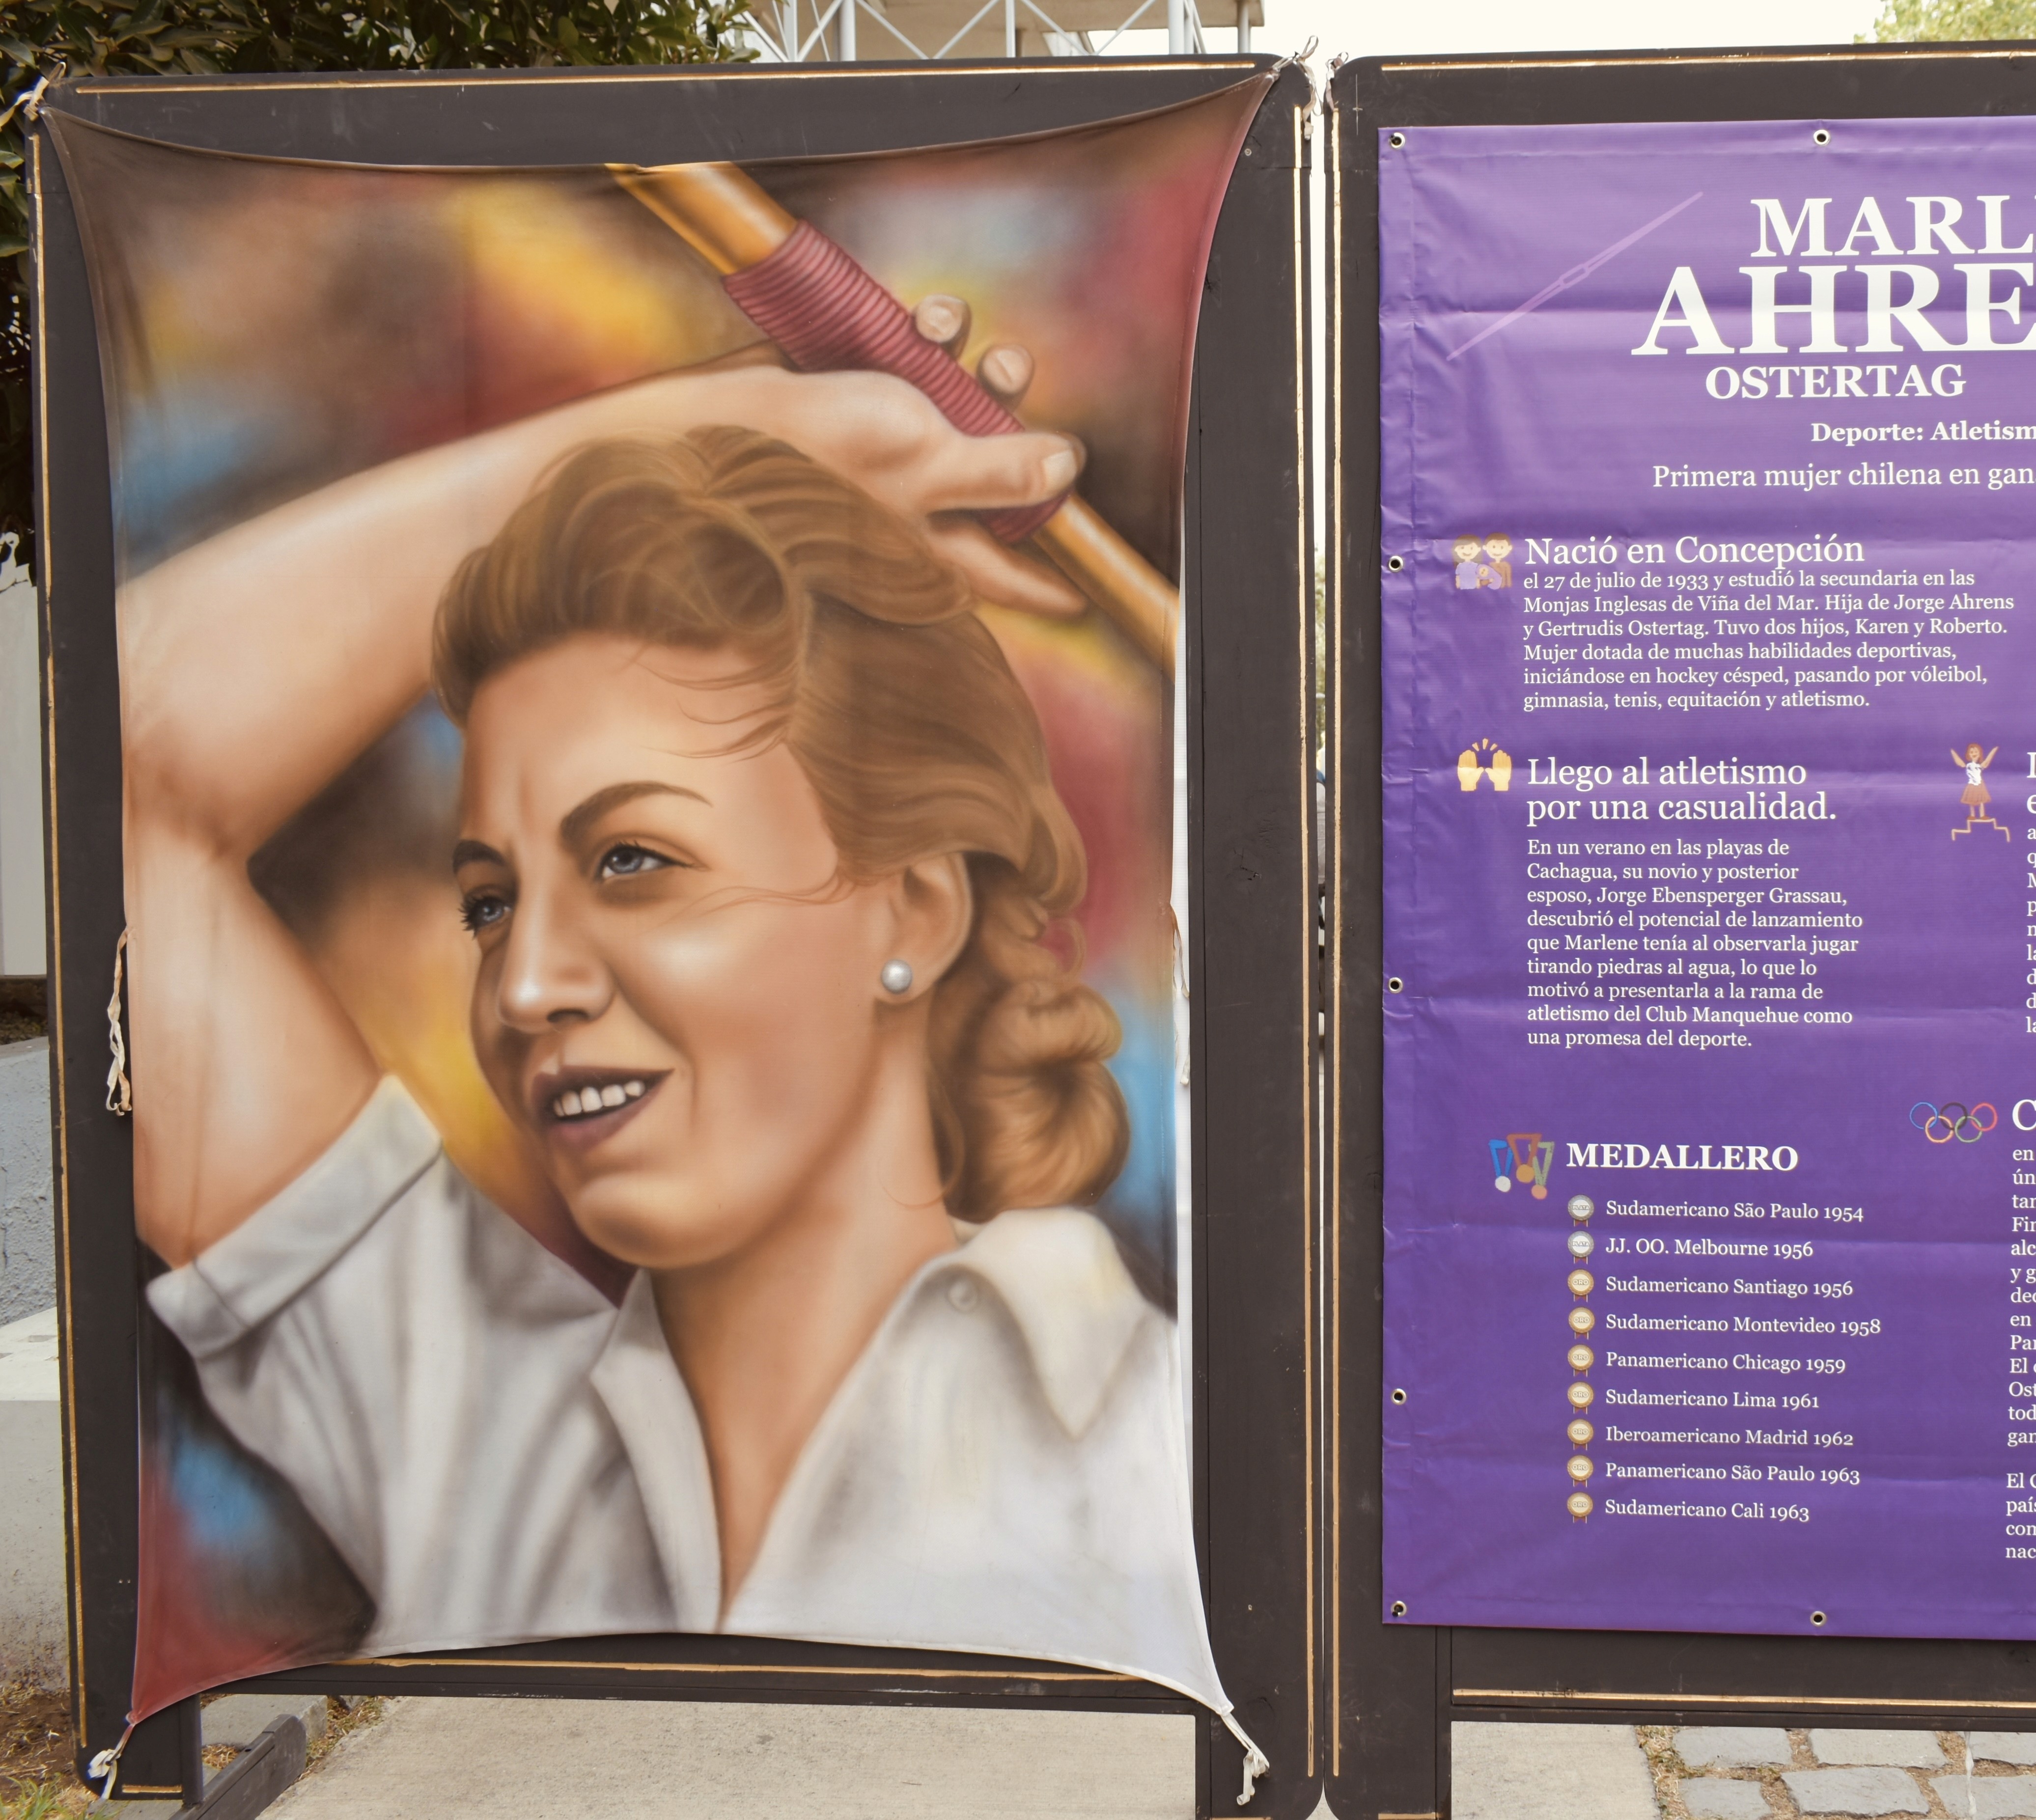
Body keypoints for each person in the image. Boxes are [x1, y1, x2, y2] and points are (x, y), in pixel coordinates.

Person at [119, 313, 1236, 1726]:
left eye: (632, 862)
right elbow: (119, 782)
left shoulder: (1167, 1454)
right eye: (488, 902)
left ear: (912, 910)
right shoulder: (465, 1415)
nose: (525, 987)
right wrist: (713, 437)